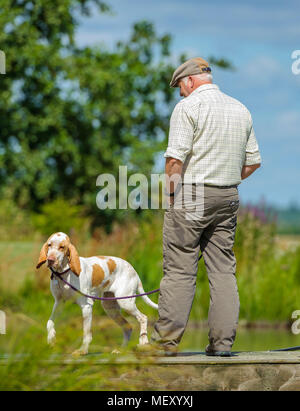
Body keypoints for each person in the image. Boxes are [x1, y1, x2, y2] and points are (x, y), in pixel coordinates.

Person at [150, 57, 261, 356]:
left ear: (188, 81)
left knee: (179, 271)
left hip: (192, 195)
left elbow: (174, 160)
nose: (180, 94)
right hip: (228, 196)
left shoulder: (188, 108)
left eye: (180, 88)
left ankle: (164, 345)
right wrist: (222, 180)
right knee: (223, 271)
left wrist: (173, 197)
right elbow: (253, 162)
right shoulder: (241, 109)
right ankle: (223, 345)